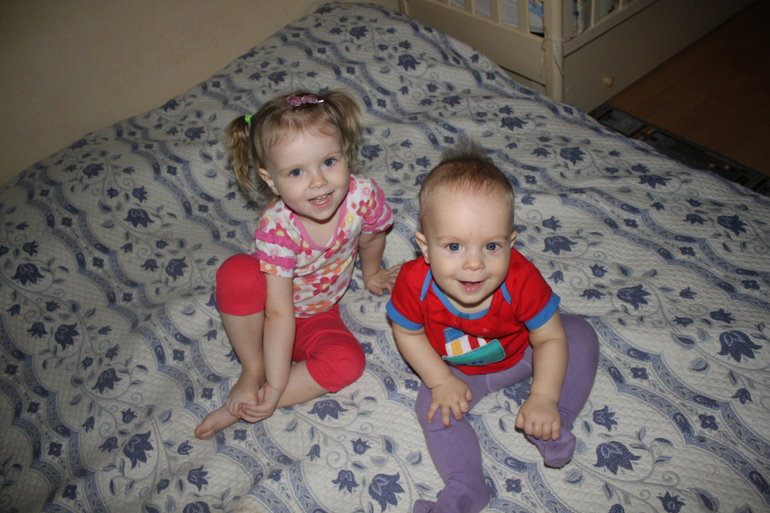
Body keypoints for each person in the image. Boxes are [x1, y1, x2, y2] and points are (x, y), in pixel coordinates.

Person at [386, 142, 599, 513]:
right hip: (460, 370)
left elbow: (549, 338)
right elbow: (408, 332)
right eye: (454, 246)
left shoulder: (522, 279)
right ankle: (466, 486)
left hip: (523, 352)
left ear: (510, 243)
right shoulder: (412, 283)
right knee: (432, 408)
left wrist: (544, 397)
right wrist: (440, 380)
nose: (475, 264)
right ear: (425, 247)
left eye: (491, 246)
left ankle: (553, 423)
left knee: (578, 334)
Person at [195, 90, 399, 440]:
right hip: (270, 304)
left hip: (316, 311)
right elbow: (277, 313)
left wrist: (371, 273)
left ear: (345, 152)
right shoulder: (278, 228)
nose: (318, 181)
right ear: (270, 180)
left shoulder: (362, 195)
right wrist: (273, 380)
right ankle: (253, 370)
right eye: (295, 172)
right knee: (237, 272)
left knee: (348, 361)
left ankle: (253, 404)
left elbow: (372, 237)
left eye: (329, 162)